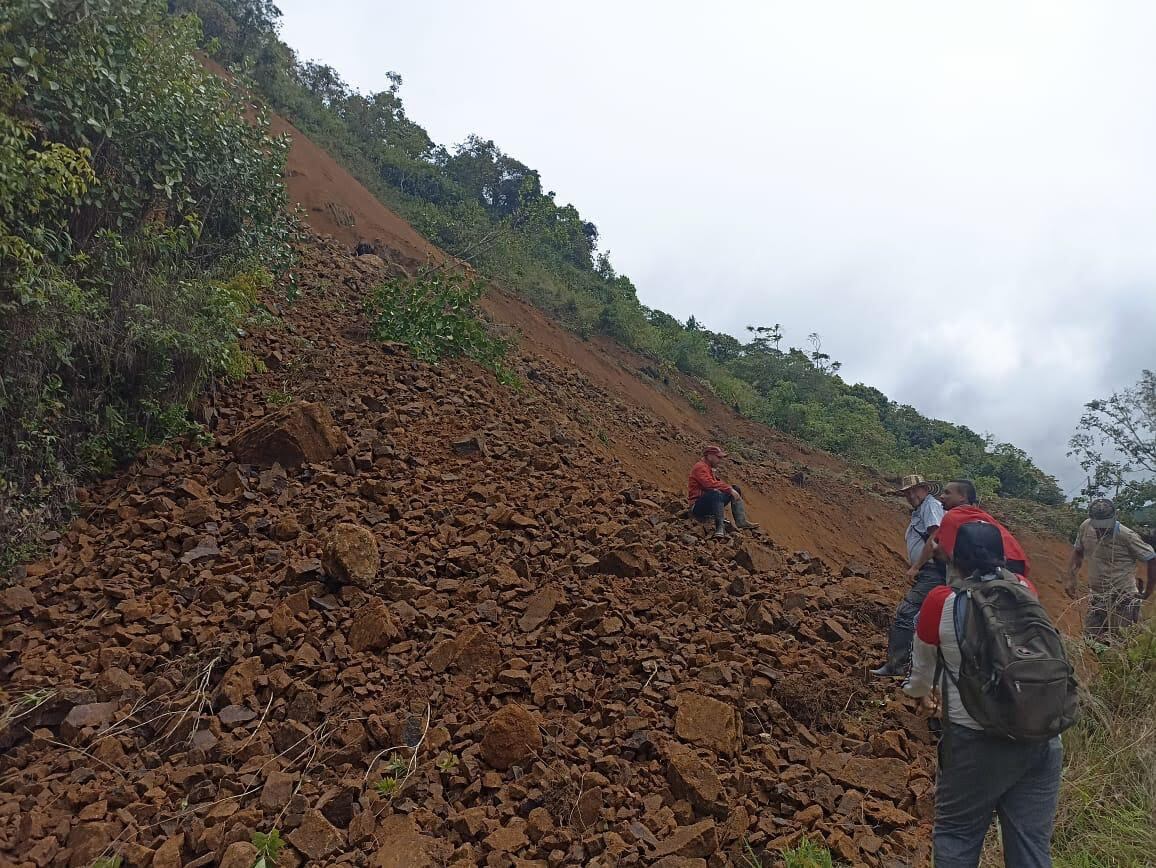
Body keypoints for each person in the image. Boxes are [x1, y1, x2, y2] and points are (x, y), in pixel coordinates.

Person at [904, 521, 1062, 868]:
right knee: (1031, 846)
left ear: (953, 557)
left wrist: (920, 694)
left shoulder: (941, 601)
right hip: (1042, 734)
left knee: (957, 837)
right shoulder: (1024, 588)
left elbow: (922, 666)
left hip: (976, 740)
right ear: (1001, 557)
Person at [870, 474, 946, 677]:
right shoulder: (922, 509)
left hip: (931, 572)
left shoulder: (930, 506)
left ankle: (897, 666)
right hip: (930, 572)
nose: (911, 495)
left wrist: (916, 566)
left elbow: (935, 536)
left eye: (915, 490)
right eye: (907, 492)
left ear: (925, 489)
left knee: (906, 614)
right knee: (928, 618)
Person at [1065, 497, 1156, 639]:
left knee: (1123, 641)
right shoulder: (1085, 527)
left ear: (1114, 518)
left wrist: (1148, 591)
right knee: (1091, 641)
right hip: (1097, 597)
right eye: (1098, 524)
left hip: (1123, 599)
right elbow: (1078, 551)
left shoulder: (1127, 536)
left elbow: (1151, 557)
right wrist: (1071, 578)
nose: (1101, 528)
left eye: (1105, 524)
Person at [926, 479, 1032, 579]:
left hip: (997, 564)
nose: (941, 496)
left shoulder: (952, 516)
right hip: (1016, 562)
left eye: (947, 493)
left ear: (962, 497)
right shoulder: (979, 514)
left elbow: (946, 556)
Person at [688, 446, 758, 538]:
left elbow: (716, 484)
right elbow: (709, 484)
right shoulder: (700, 467)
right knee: (716, 494)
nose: (720, 460)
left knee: (735, 488)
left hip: (708, 504)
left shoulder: (708, 468)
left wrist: (731, 489)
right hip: (697, 507)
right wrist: (729, 489)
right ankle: (719, 528)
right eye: (718, 457)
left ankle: (741, 521)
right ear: (709, 456)